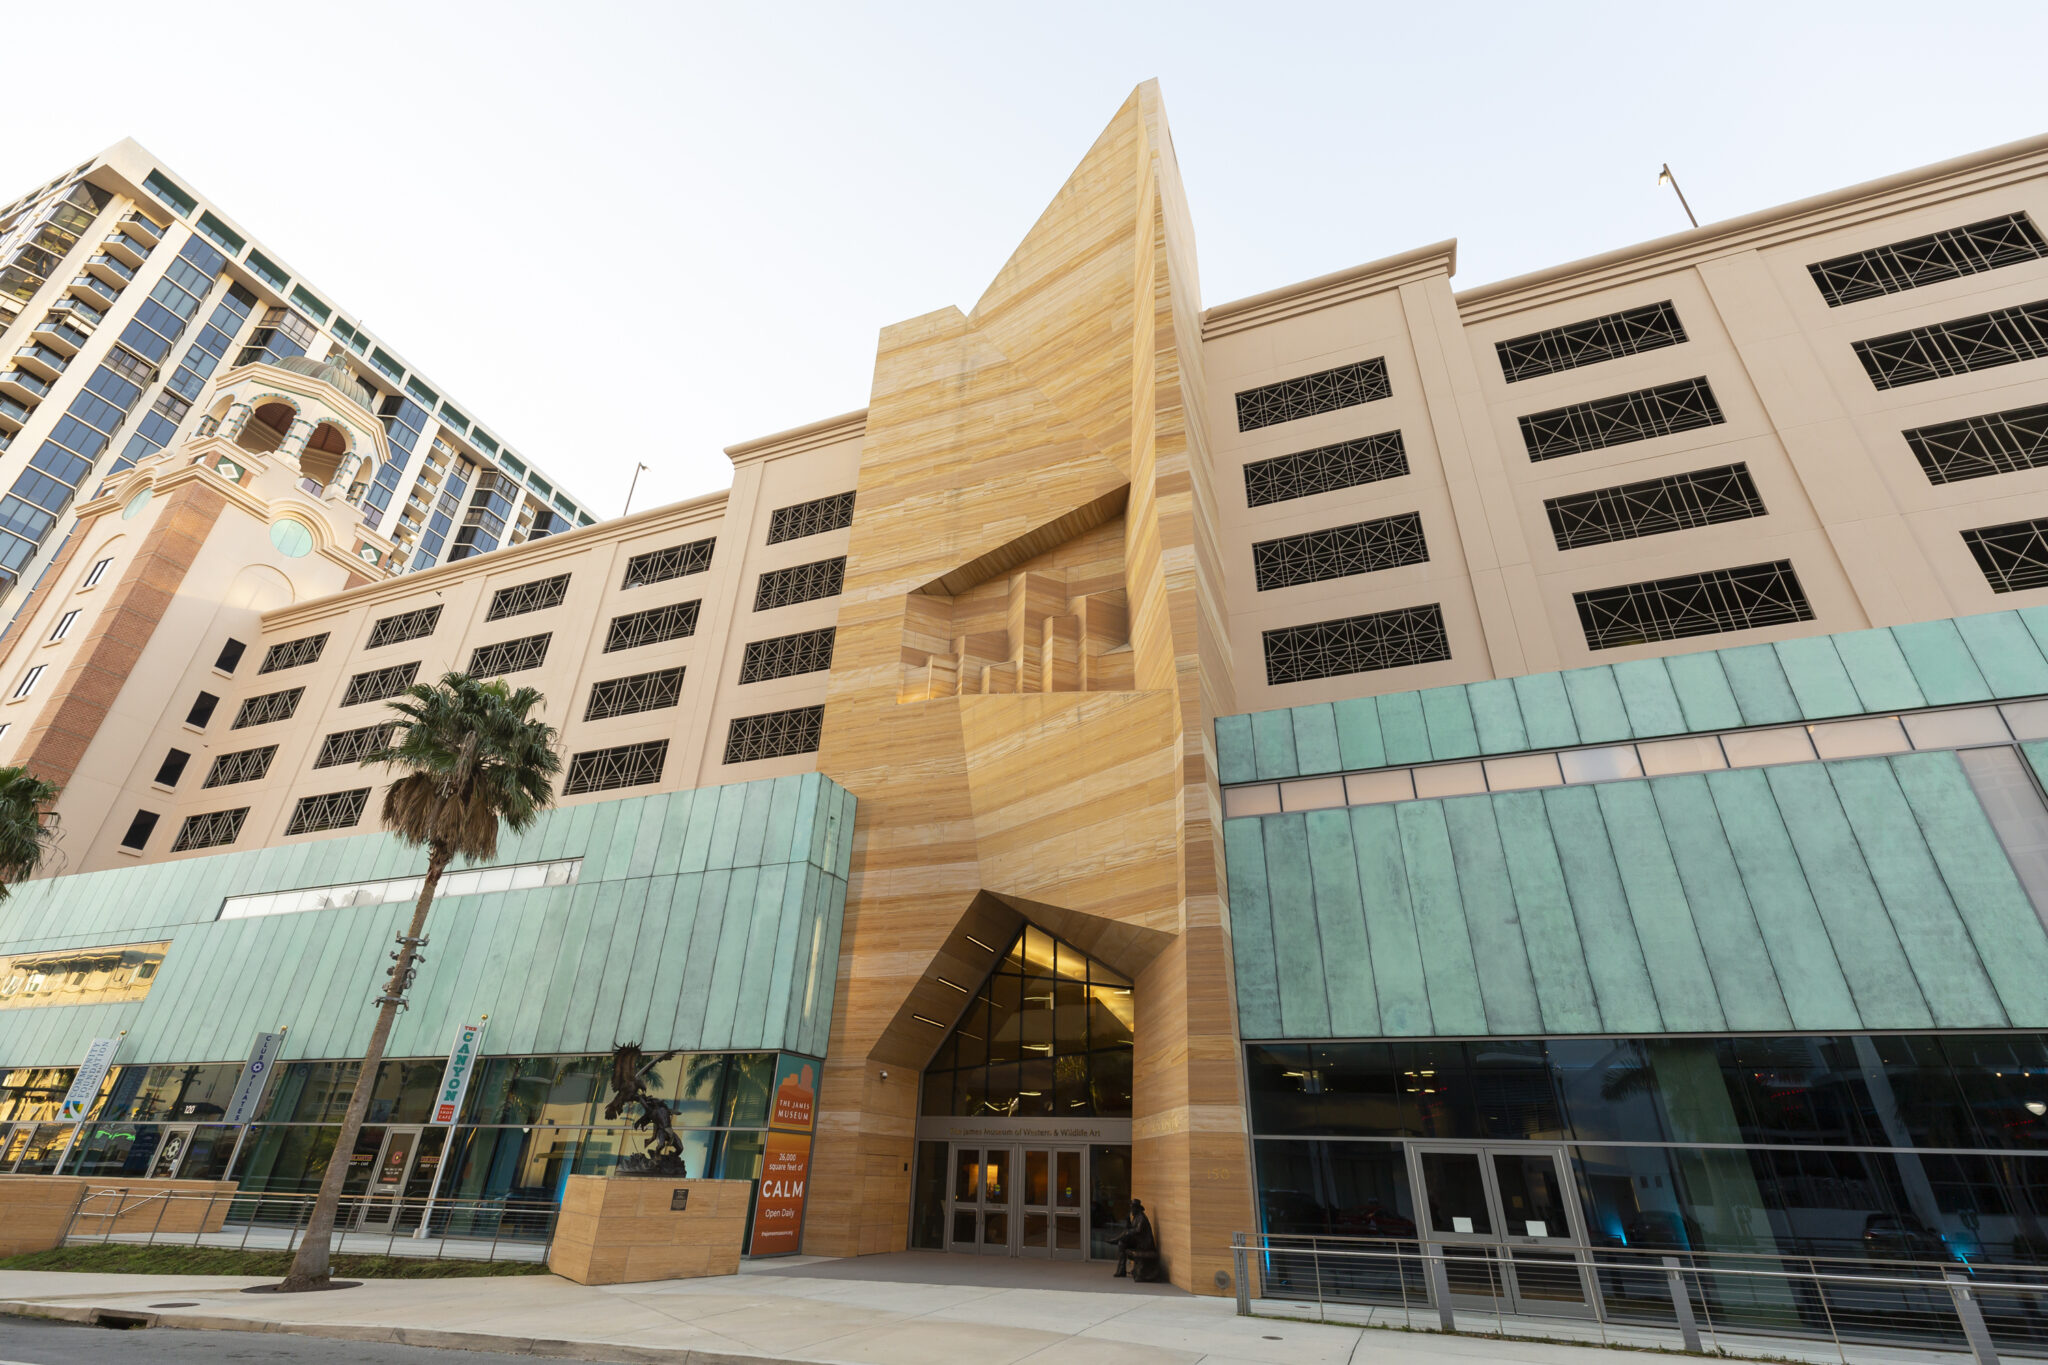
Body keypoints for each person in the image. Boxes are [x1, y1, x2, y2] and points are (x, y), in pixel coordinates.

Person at [1113, 1198, 1157, 1280]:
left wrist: (1128, 1231)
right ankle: (1121, 1270)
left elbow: (1138, 1230)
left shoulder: (1142, 1218)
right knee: (1121, 1244)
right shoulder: (1136, 1217)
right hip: (1138, 1242)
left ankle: (1115, 1240)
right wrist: (1128, 1221)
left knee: (1124, 1237)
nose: (1131, 1210)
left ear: (1137, 1208)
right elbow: (1131, 1228)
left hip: (1144, 1245)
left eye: (1132, 1208)